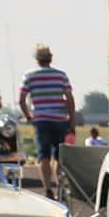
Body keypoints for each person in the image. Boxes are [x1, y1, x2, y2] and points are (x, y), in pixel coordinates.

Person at [18, 43, 74, 199]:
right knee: (58, 156)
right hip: (59, 120)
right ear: (51, 58)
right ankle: (60, 186)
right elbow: (69, 98)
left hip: (41, 119)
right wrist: (71, 118)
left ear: (37, 59)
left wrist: (29, 116)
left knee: (44, 156)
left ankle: (48, 188)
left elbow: (22, 99)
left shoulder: (29, 76)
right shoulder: (61, 75)